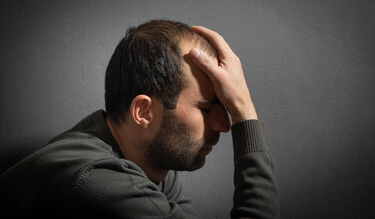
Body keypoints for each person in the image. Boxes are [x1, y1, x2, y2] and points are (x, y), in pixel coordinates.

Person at [0, 20, 279, 218]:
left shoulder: (146, 159)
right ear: (144, 112)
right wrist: (245, 110)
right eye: (206, 110)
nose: (223, 124)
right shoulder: (98, 180)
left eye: (225, 108)